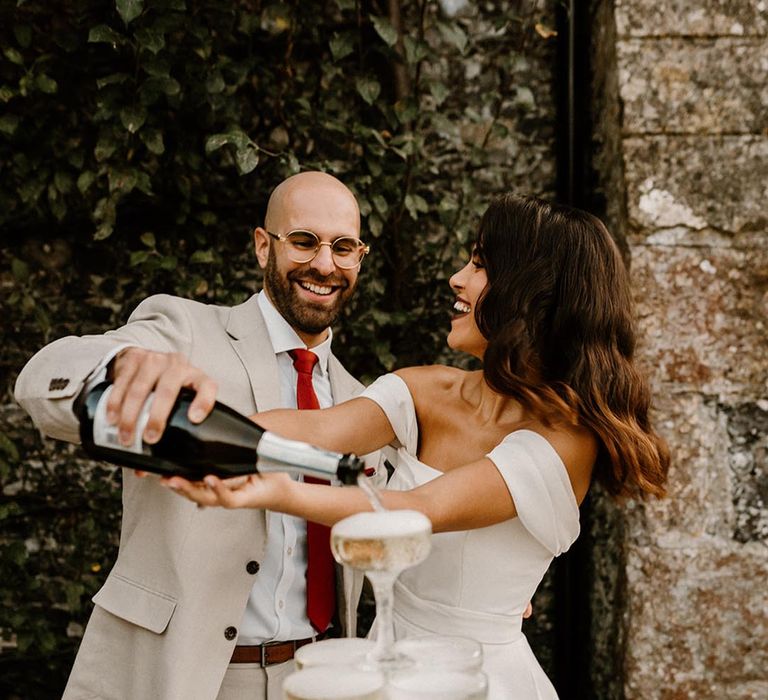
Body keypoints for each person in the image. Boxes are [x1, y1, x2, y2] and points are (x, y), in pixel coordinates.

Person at [165, 194, 670, 700]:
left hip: (479, 681)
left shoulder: (564, 442)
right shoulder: (425, 389)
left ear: (531, 294)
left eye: (479, 265)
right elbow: (313, 429)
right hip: (385, 664)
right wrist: (185, 433)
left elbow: (416, 511)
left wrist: (266, 491)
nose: (457, 278)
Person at [14, 171, 387, 700]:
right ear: (264, 246)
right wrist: (122, 364)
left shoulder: (365, 402)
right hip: (185, 675)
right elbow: (39, 381)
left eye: (343, 247)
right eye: (304, 241)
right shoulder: (182, 331)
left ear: (358, 258)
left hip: (322, 676)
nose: (324, 265)